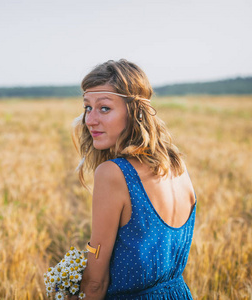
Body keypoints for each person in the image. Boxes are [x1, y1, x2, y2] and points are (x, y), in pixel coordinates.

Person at [71, 59, 197, 299]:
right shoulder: (177, 165)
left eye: (104, 108)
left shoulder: (112, 174)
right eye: (88, 107)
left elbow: (95, 283)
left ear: (135, 112)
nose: (90, 120)